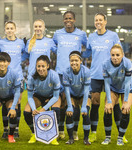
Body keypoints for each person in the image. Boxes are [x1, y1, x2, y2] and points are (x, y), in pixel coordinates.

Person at [82, 13, 128, 143]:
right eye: (96, 20)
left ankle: (121, 134)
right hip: (96, 74)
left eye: (100, 20)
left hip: (112, 74)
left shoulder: (113, 36)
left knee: (115, 103)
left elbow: (119, 53)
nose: (98, 22)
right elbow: (88, 52)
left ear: (105, 22)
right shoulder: (91, 37)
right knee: (95, 103)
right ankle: (93, 132)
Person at [53, 11, 87, 139]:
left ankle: (74, 131)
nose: (68, 20)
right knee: (61, 103)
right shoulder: (57, 34)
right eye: (66, 18)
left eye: (70, 18)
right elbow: (53, 47)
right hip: (60, 73)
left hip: (75, 74)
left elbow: (87, 48)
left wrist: (82, 59)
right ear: (63, 20)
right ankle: (60, 130)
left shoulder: (81, 34)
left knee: (73, 103)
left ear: (74, 20)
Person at [24, 55, 61, 146]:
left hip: (52, 96)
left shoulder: (54, 75)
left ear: (48, 66)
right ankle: (34, 133)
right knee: (27, 111)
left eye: (43, 66)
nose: (41, 69)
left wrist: (44, 109)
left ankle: (53, 136)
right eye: (38, 66)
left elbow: (56, 97)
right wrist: (34, 109)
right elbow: (29, 96)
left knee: (56, 110)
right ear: (36, 67)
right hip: (39, 96)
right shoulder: (31, 77)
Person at [0, 21, 25, 138]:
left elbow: (25, 54)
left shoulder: (21, 43)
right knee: (5, 102)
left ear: (15, 30)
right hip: (4, 76)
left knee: (17, 103)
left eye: (11, 28)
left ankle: (16, 129)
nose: (9, 30)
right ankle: (5, 129)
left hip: (18, 76)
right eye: (7, 28)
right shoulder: (0, 43)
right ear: (5, 30)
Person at [101, 44, 131, 146]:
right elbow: (107, 84)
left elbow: (127, 84)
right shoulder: (105, 64)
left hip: (127, 89)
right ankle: (107, 137)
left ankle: (120, 138)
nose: (115, 57)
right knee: (107, 109)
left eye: (117, 55)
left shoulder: (127, 63)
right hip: (113, 88)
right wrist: (109, 102)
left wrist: (126, 101)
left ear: (122, 55)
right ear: (110, 55)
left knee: (126, 110)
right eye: (113, 55)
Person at [62, 51, 91, 145]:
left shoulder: (86, 71)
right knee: (70, 113)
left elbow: (86, 90)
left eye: (76, 60)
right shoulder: (66, 72)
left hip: (83, 95)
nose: (74, 63)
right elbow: (66, 90)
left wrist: (84, 106)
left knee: (85, 113)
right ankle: (71, 138)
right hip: (72, 95)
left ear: (80, 61)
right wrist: (69, 106)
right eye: (71, 61)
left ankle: (86, 139)